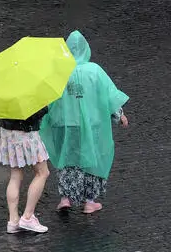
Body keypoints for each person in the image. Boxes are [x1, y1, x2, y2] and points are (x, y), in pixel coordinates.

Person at [40, 31, 129, 214]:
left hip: (65, 124)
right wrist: (119, 115)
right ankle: (89, 201)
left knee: (67, 158)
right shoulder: (95, 71)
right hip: (92, 124)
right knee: (92, 158)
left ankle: (65, 198)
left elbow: (48, 98)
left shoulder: (59, 71)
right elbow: (108, 96)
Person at [0, 108, 51, 234]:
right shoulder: (29, 89)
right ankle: (28, 217)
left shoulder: (1, 88)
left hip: (7, 133)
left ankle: (13, 221)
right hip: (26, 132)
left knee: (15, 175)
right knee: (42, 172)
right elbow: (36, 113)